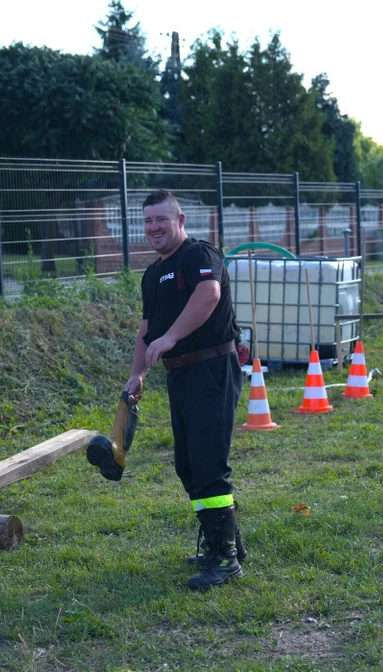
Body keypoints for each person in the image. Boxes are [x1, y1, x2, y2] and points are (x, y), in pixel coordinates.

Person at [125, 189, 246, 591]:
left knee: (209, 463)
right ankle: (223, 542)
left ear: (180, 221)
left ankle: (224, 560)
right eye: (147, 221)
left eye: (161, 219)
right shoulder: (151, 274)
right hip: (180, 376)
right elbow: (146, 330)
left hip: (212, 367)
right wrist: (137, 375)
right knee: (188, 465)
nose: (154, 228)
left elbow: (208, 295)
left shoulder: (199, 255)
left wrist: (172, 337)